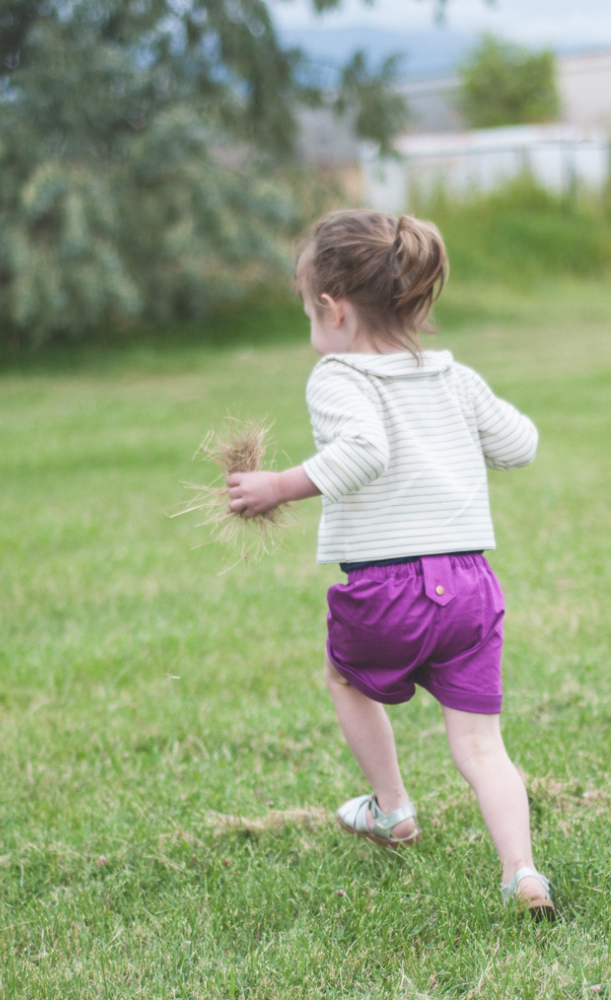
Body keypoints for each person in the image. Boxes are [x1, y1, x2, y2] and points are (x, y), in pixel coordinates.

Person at [226, 208, 554, 920]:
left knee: (347, 676)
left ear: (331, 307)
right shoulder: (451, 375)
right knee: (479, 743)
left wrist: (278, 485)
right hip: (470, 586)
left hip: (388, 586)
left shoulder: (337, 375)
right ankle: (523, 874)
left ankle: (392, 805)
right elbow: (521, 443)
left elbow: (365, 451)